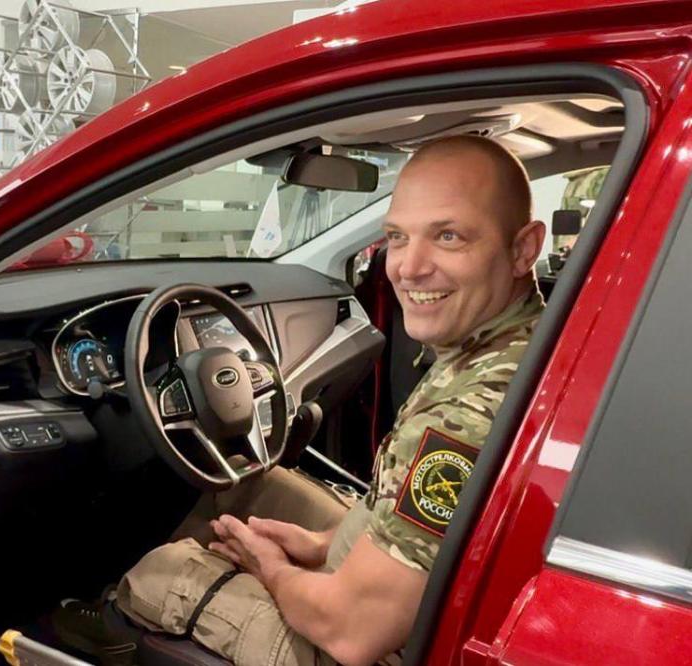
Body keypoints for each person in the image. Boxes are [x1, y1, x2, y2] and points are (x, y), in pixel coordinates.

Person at [55, 135, 548, 666]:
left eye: (448, 236)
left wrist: (270, 568)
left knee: (157, 572)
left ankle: (103, 626)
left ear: (524, 249)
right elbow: (412, 520)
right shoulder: (517, 348)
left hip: (380, 643)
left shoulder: (466, 415)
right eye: (397, 237)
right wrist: (320, 546)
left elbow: (351, 633)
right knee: (244, 489)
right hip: (424, 591)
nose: (408, 267)